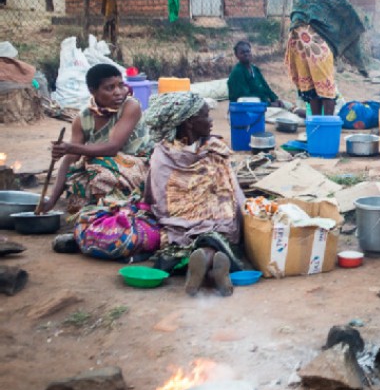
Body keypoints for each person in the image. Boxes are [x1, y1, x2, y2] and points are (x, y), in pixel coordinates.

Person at [143, 93, 246, 297]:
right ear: (190, 123)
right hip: (214, 221)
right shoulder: (209, 151)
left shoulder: (163, 154)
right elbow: (231, 194)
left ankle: (201, 265)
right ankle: (210, 263)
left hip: (179, 227)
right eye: (206, 116)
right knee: (222, 235)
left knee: (178, 242)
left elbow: (157, 198)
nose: (211, 121)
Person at [42, 63, 151, 214]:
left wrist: (70, 147)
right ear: (92, 91)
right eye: (110, 88)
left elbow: (113, 147)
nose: (118, 92)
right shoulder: (83, 119)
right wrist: (51, 201)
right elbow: (70, 159)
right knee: (78, 178)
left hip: (140, 165)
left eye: (121, 85)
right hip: (107, 168)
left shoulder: (130, 106)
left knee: (96, 166)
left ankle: (117, 214)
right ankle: (95, 219)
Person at [287, 0, 368, 116]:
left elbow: (347, 11)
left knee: (325, 86)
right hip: (301, 51)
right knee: (311, 89)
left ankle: (328, 123)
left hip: (319, 48)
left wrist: (344, 30)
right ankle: (317, 122)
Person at [227, 41, 284, 107]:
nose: (246, 54)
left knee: (289, 106)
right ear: (236, 55)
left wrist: (275, 99)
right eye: (242, 52)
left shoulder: (254, 69)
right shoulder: (237, 72)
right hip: (247, 109)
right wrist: (269, 104)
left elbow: (265, 87)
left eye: (248, 51)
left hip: (263, 103)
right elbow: (244, 98)